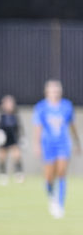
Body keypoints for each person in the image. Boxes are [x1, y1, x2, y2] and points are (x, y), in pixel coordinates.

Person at [32, 79, 81, 218]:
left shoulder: (67, 106)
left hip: (63, 144)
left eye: (57, 90)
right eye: (52, 90)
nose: (55, 93)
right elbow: (38, 128)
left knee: (61, 171)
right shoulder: (41, 107)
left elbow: (72, 126)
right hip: (48, 144)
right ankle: (51, 196)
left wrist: (77, 142)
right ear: (47, 92)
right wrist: (36, 145)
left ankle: (59, 204)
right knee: (49, 175)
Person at [0, 94, 23, 185]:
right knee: (2, 156)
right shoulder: (1, 116)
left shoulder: (15, 116)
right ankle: (2, 174)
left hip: (13, 137)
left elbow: (19, 128)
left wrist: (22, 137)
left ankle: (18, 174)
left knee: (16, 155)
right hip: (3, 138)